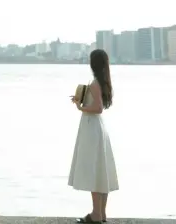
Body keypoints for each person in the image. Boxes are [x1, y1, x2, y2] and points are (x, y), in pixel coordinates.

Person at [68, 49, 119, 223]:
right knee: (101, 170)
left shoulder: (96, 83)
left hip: (92, 127)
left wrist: (80, 107)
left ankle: (96, 214)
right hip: (98, 127)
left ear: (93, 63)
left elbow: (97, 108)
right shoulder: (105, 82)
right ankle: (101, 213)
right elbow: (99, 105)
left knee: (94, 171)